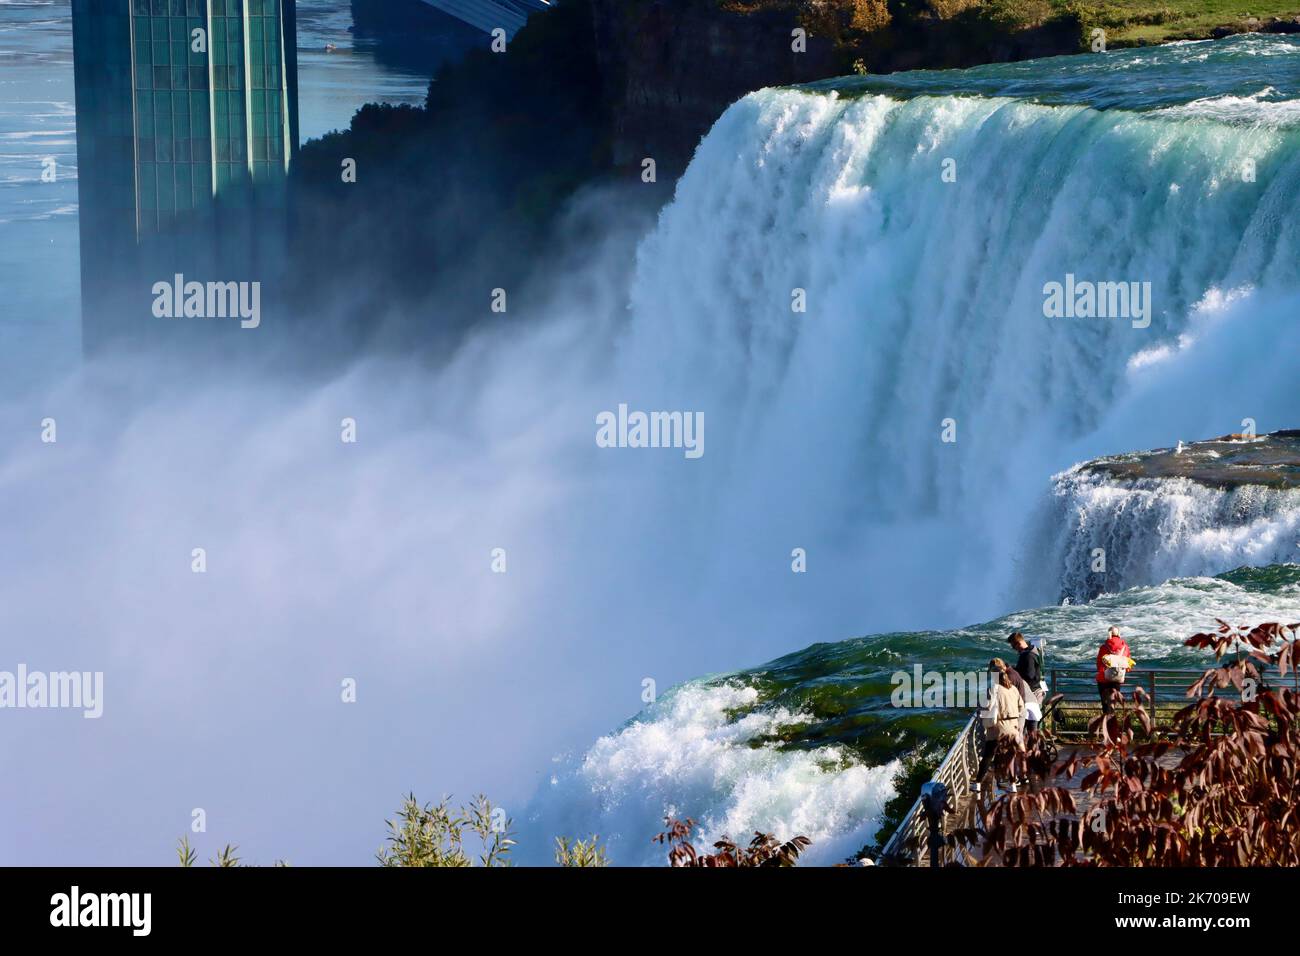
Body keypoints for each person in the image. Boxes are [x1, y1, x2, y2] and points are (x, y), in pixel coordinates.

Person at [972, 666, 1024, 793]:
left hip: (998, 728)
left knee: (988, 756)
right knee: (1011, 757)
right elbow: (1021, 707)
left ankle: (977, 783)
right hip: (1012, 727)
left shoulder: (994, 689)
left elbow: (987, 705)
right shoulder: (1013, 689)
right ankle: (1012, 785)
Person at [993, 657, 1041, 736]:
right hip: (1032, 706)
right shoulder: (1014, 673)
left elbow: (1009, 698)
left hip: (1026, 708)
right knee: (1031, 738)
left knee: (1020, 737)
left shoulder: (1009, 678)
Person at [1096, 626, 1134, 715]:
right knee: (1112, 703)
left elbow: (1099, 664)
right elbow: (1128, 664)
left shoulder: (1104, 647)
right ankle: (1112, 722)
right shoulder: (1125, 647)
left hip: (1103, 679)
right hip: (1118, 678)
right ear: (1119, 634)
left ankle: (1106, 722)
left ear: (1109, 634)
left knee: (1105, 704)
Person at [1008, 631, 1045, 704]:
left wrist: (1014, 672)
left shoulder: (1027, 655)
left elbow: (1029, 675)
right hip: (1039, 689)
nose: (1014, 649)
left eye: (1013, 647)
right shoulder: (1034, 650)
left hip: (1033, 692)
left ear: (1018, 643)